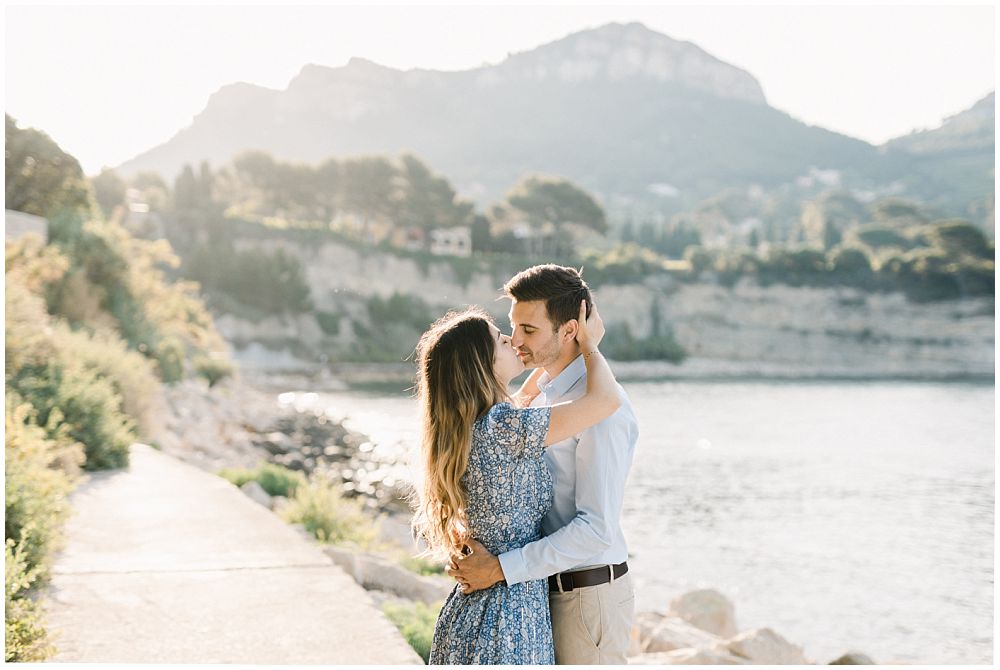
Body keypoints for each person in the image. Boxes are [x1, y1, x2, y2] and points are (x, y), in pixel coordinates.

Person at [449, 264, 639, 664]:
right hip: (538, 591)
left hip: (585, 597)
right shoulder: (542, 398)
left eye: (529, 330)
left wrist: (500, 569)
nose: (516, 340)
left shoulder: (600, 409)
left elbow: (596, 531)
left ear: (570, 330)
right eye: (513, 327)